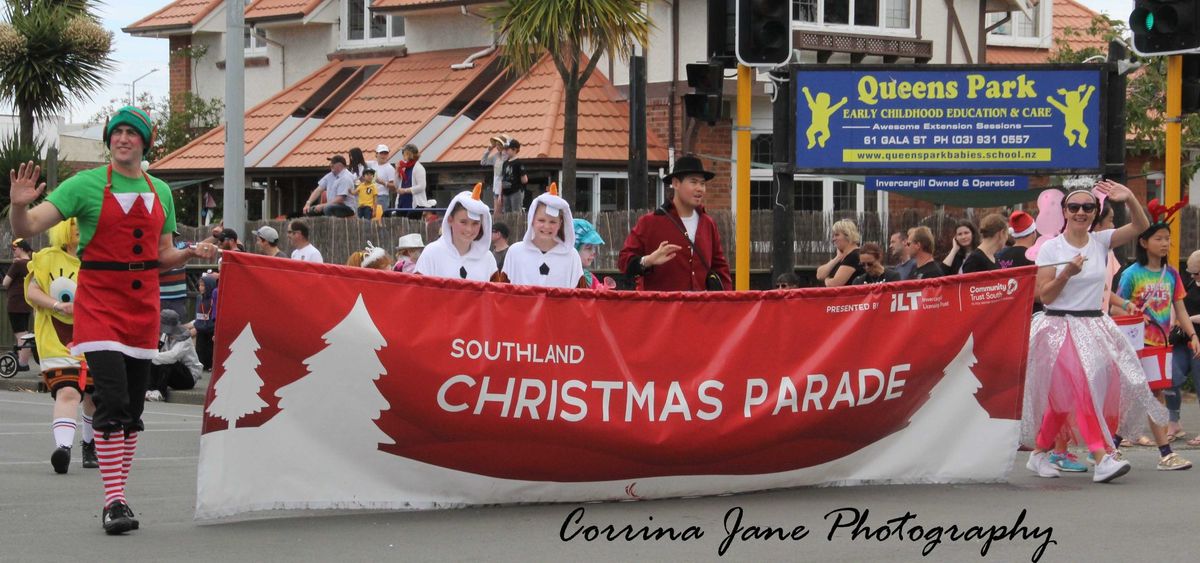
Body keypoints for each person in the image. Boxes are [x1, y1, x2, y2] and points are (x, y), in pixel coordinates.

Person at [8, 105, 218, 534]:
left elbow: (163, 255)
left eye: (132, 133)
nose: (123, 138)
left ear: (144, 142)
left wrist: (190, 253)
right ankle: (114, 501)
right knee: (112, 398)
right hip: (98, 302)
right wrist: (16, 207)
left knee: (134, 408)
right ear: (110, 140)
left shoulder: (160, 190)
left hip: (142, 308)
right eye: (117, 132)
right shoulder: (83, 184)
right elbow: (28, 225)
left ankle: (120, 493)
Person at [1022, 180, 1166, 483]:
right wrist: (1067, 274)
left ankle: (1037, 455)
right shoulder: (1051, 248)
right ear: (1064, 211)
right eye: (1074, 207)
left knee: (1063, 401)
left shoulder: (1100, 241)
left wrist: (1129, 199)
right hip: (1058, 327)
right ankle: (1102, 457)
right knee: (1082, 387)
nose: (1081, 212)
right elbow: (1044, 296)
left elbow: (1141, 226)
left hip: (1093, 326)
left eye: (1088, 207)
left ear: (1094, 212)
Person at [1116, 204, 1196, 470]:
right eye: (1159, 239)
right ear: (1144, 241)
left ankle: (1118, 448)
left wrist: (1192, 334)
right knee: (1141, 396)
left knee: (1153, 395)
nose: (1165, 244)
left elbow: (1180, 307)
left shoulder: (1172, 274)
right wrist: (1135, 313)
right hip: (1136, 347)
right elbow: (1115, 306)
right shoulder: (1131, 274)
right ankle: (1162, 452)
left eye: (1168, 239)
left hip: (1160, 347)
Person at [23, 219, 97, 474]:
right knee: (68, 391)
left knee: (94, 396)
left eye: (83, 221)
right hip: (57, 341)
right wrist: (57, 305)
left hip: (96, 336)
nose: (78, 226)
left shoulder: (102, 260)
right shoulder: (48, 258)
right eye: (73, 222)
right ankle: (63, 448)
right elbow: (33, 292)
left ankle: (90, 445)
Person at [618, 155, 731, 291]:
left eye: (702, 183)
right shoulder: (649, 223)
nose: (700, 188)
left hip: (702, 310)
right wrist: (648, 260)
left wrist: (727, 305)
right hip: (662, 310)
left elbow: (720, 269)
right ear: (676, 183)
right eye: (693, 182)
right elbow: (623, 261)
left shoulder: (708, 224)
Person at [501, 184, 585, 288]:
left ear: (560, 223)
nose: (546, 226)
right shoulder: (515, 253)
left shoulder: (571, 256)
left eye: (553, 222)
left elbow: (580, 298)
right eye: (541, 220)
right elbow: (502, 294)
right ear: (532, 219)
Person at [414, 183, 498, 281]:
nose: (469, 229)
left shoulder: (487, 259)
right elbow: (418, 293)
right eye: (463, 222)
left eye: (475, 223)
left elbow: (497, 295)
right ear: (450, 220)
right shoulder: (431, 254)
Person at [146, 309, 201, 402]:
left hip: (188, 377)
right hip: (172, 373)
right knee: (155, 361)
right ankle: (149, 389)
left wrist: (150, 356)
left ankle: (160, 392)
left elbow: (173, 356)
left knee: (167, 361)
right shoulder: (165, 335)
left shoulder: (184, 337)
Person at [1176, 250, 1200, 448]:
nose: (1192, 276)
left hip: (1197, 339)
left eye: (1196, 273)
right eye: (1190, 272)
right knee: (1172, 378)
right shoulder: (1190, 284)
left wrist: (1188, 321)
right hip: (1183, 341)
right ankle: (1173, 422)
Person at [4, 237, 34, 370]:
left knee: (20, 333)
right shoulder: (33, 263)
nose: (13, 252)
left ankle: (23, 363)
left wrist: (13, 266)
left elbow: (5, 282)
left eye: (15, 249)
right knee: (25, 332)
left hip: (15, 301)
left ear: (21, 248)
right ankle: (24, 361)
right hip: (28, 302)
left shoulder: (17, 264)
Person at [815, 219, 863, 287]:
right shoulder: (843, 256)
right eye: (833, 236)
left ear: (848, 235)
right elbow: (819, 275)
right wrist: (837, 258)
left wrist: (827, 279)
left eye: (837, 235)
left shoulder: (854, 256)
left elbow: (835, 284)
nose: (833, 239)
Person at [395, 144, 435, 211]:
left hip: (415, 204)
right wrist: (396, 170)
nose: (403, 155)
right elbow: (396, 185)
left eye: (404, 153)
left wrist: (405, 190)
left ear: (409, 154)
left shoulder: (419, 168)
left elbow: (422, 186)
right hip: (402, 202)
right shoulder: (403, 167)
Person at [159, 232, 189, 320]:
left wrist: (215, 236)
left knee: (180, 323)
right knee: (161, 326)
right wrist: (174, 263)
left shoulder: (182, 246)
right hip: (161, 297)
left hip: (178, 298)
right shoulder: (158, 251)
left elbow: (200, 245)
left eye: (172, 236)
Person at [574, 219, 609, 290]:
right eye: (589, 248)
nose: (594, 252)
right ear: (574, 248)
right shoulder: (561, 275)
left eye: (594, 248)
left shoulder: (589, 278)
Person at [193, 273, 218, 372]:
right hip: (201, 328)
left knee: (210, 349)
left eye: (203, 285)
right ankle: (201, 364)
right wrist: (197, 324)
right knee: (200, 348)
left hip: (211, 328)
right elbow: (197, 313)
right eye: (199, 285)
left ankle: (210, 365)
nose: (200, 287)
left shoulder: (213, 299)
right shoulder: (199, 298)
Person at [481, 134, 509, 212]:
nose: (497, 147)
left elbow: (504, 167)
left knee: (505, 211)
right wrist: (488, 150)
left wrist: (504, 151)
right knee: (497, 211)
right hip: (496, 188)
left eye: (499, 145)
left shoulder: (507, 156)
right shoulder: (495, 156)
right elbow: (483, 162)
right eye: (496, 145)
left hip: (505, 187)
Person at [500, 139, 528, 213]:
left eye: (508, 149)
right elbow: (502, 179)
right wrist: (500, 194)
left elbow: (524, 179)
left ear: (514, 149)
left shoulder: (518, 163)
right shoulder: (505, 163)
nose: (506, 151)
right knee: (507, 213)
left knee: (516, 213)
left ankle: (516, 225)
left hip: (515, 192)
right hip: (505, 192)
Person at [372, 144, 396, 211]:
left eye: (385, 153)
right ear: (376, 154)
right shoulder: (373, 165)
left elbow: (394, 187)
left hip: (382, 196)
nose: (383, 156)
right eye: (381, 153)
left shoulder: (390, 168)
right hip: (370, 196)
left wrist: (383, 182)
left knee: (379, 217)